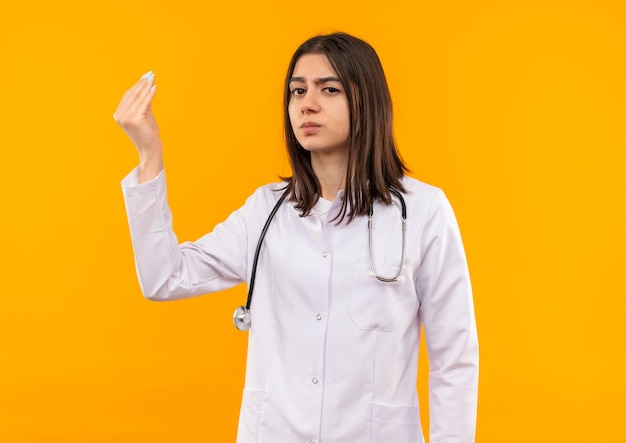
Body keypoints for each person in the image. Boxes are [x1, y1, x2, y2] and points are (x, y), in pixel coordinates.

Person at [115, 32, 478, 443]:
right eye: (298, 90)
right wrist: (150, 155)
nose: (307, 103)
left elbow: (454, 359)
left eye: (330, 89)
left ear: (368, 101)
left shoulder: (424, 212)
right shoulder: (265, 211)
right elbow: (165, 277)